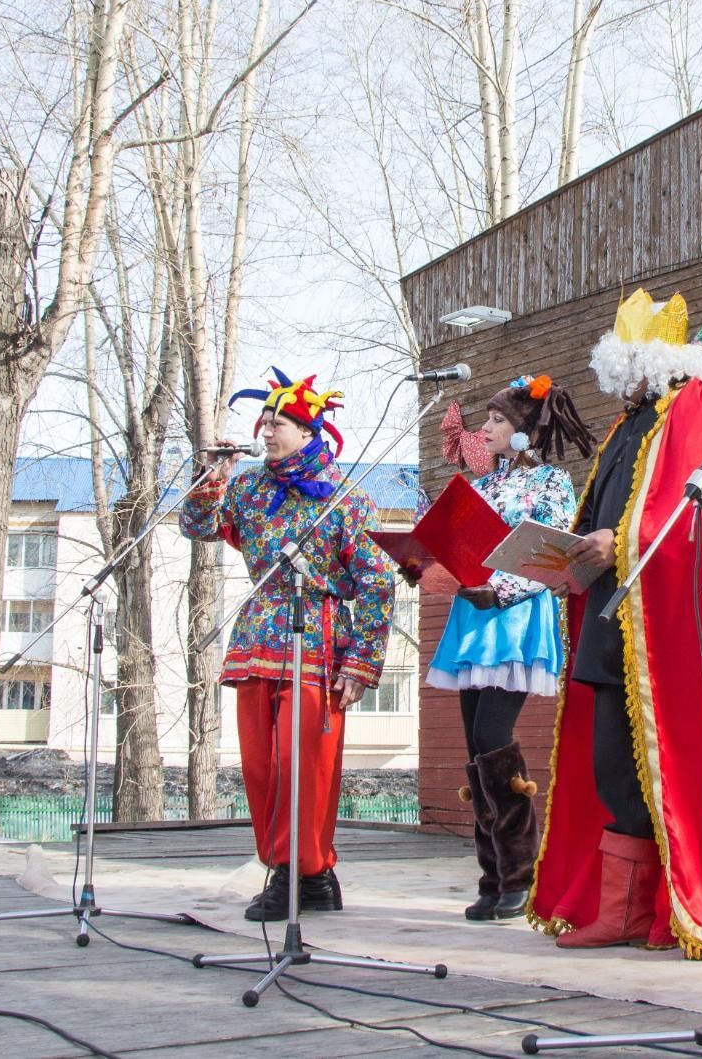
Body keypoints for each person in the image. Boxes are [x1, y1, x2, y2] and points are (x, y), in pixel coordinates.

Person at [527, 288, 702, 959]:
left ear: (652, 357)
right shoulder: (630, 424)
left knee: (643, 772)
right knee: (611, 770)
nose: (614, 375)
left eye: (623, 359)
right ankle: (625, 907)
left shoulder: (701, 408)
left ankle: (655, 908)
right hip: (610, 621)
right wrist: (570, 550)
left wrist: (620, 542)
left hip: (660, 628)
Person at [180, 367, 394, 921]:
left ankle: (296, 871)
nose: (267, 430)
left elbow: (375, 581)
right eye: (264, 421)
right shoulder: (249, 486)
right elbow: (197, 525)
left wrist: (363, 662)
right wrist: (215, 474)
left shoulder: (345, 497)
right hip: (257, 635)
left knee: (305, 766)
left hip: (318, 637)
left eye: (278, 423)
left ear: (308, 430)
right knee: (261, 766)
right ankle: (309, 874)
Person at [426, 372, 593, 921]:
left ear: (524, 430)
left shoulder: (551, 482)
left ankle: (519, 872)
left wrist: (500, 589)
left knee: (493, 735)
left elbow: (552, 555)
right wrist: (424, 562)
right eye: (488, 418)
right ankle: (492, 874)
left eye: (499, 419)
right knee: (476, 744)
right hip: (471, 616)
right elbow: (454, 545)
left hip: (514, 616)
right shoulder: (479, 485)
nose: (487, 427)